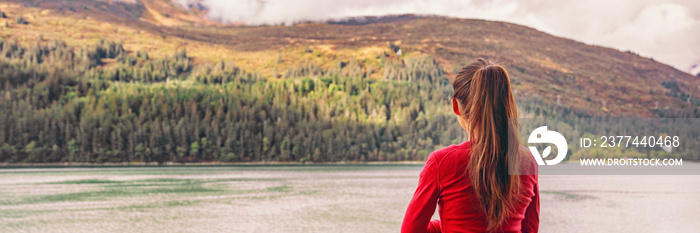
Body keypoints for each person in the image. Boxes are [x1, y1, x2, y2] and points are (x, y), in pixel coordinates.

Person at [401, 59, 539, 233]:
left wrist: (443, 226)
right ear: (505, 105)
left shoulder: (442, 162)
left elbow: (410, 231)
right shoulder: (527, 161)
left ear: (455, 106)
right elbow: (530, 229)